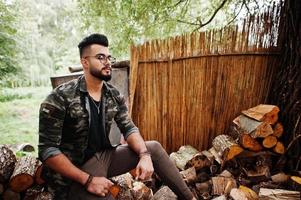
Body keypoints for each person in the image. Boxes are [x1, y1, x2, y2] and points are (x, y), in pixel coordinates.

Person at [38, 33, 196, 200]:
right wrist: (88, 180)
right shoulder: (60, 97)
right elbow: (47, 150)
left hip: (104, 157)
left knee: (153, 148)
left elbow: (128, 127)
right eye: (100, 57)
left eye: (108, 57)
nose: (107, 62)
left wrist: (144, 155)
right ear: (84, 62)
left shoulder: (112, 94)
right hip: (74, 172)